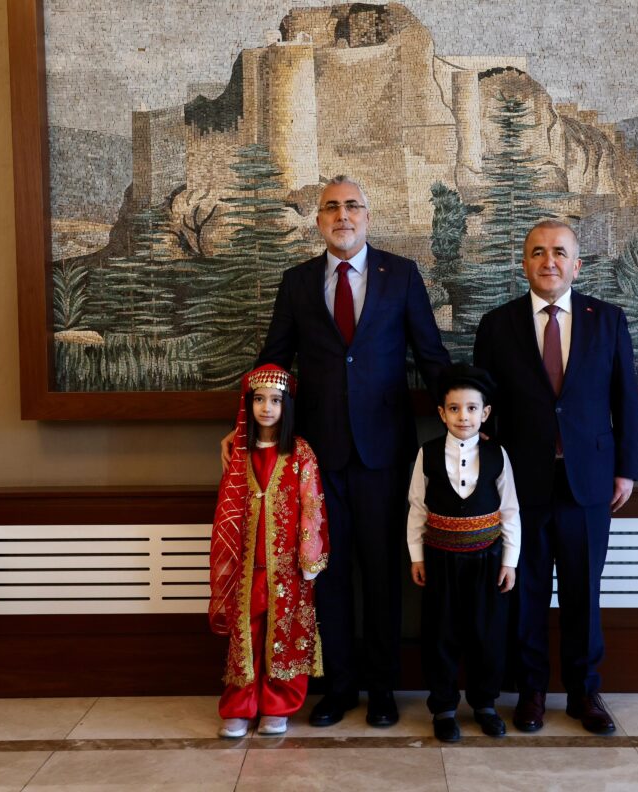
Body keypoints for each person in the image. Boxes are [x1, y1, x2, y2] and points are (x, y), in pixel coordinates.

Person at [222, 175, 450, 728]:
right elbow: (273, 360)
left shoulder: (402, 275)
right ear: (318, 219)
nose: (342, 215)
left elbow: (431, 355)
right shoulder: (297, 282)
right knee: (326, 574)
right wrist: (243, 425)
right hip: (315, 460)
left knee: (383, 574)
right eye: (331, 207)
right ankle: (340, 686)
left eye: (352, 206)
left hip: (384, 454)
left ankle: (383, 689)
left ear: (367, 216)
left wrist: (466, 424)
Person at [474, 219, 638, 734]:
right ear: (524, 263)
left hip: (589, 483)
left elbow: (626, 401)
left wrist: (626, 471)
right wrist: (488, 479)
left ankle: (584, 693)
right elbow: (484, 412)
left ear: (577, 265)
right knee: (524, 592)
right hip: (520, 485)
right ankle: (531, 692)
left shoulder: (607, 320)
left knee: (582, 593)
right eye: (538, 252)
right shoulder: (496, 325)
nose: (549, 261)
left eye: (560, 252)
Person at [209, 364, 329, 738]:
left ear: (286, 405)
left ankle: (278, 705)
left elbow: (312, 504)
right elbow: (227, 508)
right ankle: (239, 704)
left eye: (275, 400)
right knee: (246, 632)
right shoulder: (238, 452)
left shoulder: (301, 452)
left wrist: (310, 557)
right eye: (259, 400)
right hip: (246, 564)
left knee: (284, 631)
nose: (266, 408)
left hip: (287, 566)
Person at [406, 363, 521, 742]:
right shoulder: (426, 454)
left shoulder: (498, 454)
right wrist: (417, 555)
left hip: (487, 561)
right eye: (454, 408)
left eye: (472, 408)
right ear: (442, 413)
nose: (463, 416)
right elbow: (417, 508)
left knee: (487, 633)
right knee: (441, 633)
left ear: (485, 413)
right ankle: (443, 707)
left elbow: (510, 510)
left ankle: (485, 703)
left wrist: (509, 562)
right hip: (440, 560)